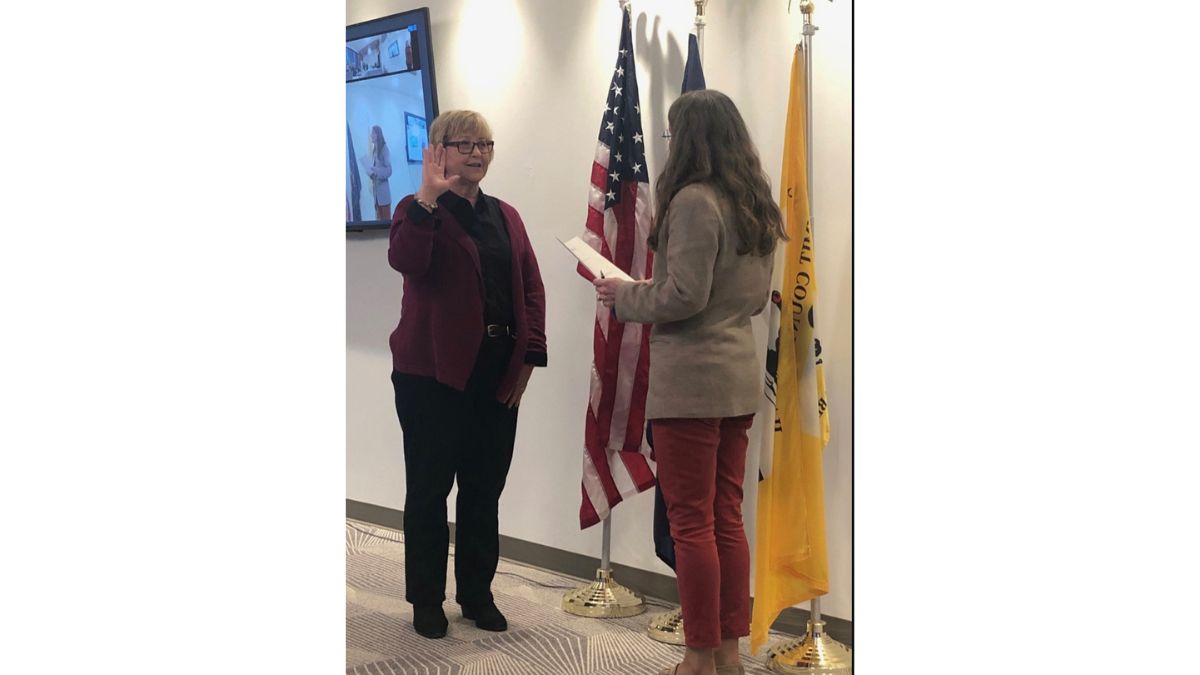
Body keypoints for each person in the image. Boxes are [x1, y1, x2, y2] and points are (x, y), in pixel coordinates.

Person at [594, 90, 786, 675]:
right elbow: (749, 301)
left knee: (693, 523)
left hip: (692, 385)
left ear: (692, 139)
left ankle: (700, 659)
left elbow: (684, 295)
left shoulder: (697, 202)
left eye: (673, 134)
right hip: (734, 378)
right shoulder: (755, 202)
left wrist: (622, 295)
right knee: (725, 517)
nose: (668, 145)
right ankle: (727, 654)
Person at [387, 110, 547, 640]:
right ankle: (426, 601)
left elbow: (530, 287)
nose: (477, 153)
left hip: (496, 378)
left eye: (485, 144)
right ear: (438, 151)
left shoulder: (507, 215)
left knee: (483, 493)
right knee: (430, 493)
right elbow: (406, 261)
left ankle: (477, 595)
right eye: (464, 144)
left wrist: (528, 358)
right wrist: (428, 199)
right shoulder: (416, 210)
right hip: (431, 378)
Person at [368, 125, 393, 221]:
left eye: (373, 133)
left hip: (384, 195)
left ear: (378, 134)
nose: (371, 135)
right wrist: (371, 174)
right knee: (379, 222)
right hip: (377, 196)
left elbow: (389, 171)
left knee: (385, 224)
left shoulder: (384, 149)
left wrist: (377, 171)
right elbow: (377, 171)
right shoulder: (374, 150)